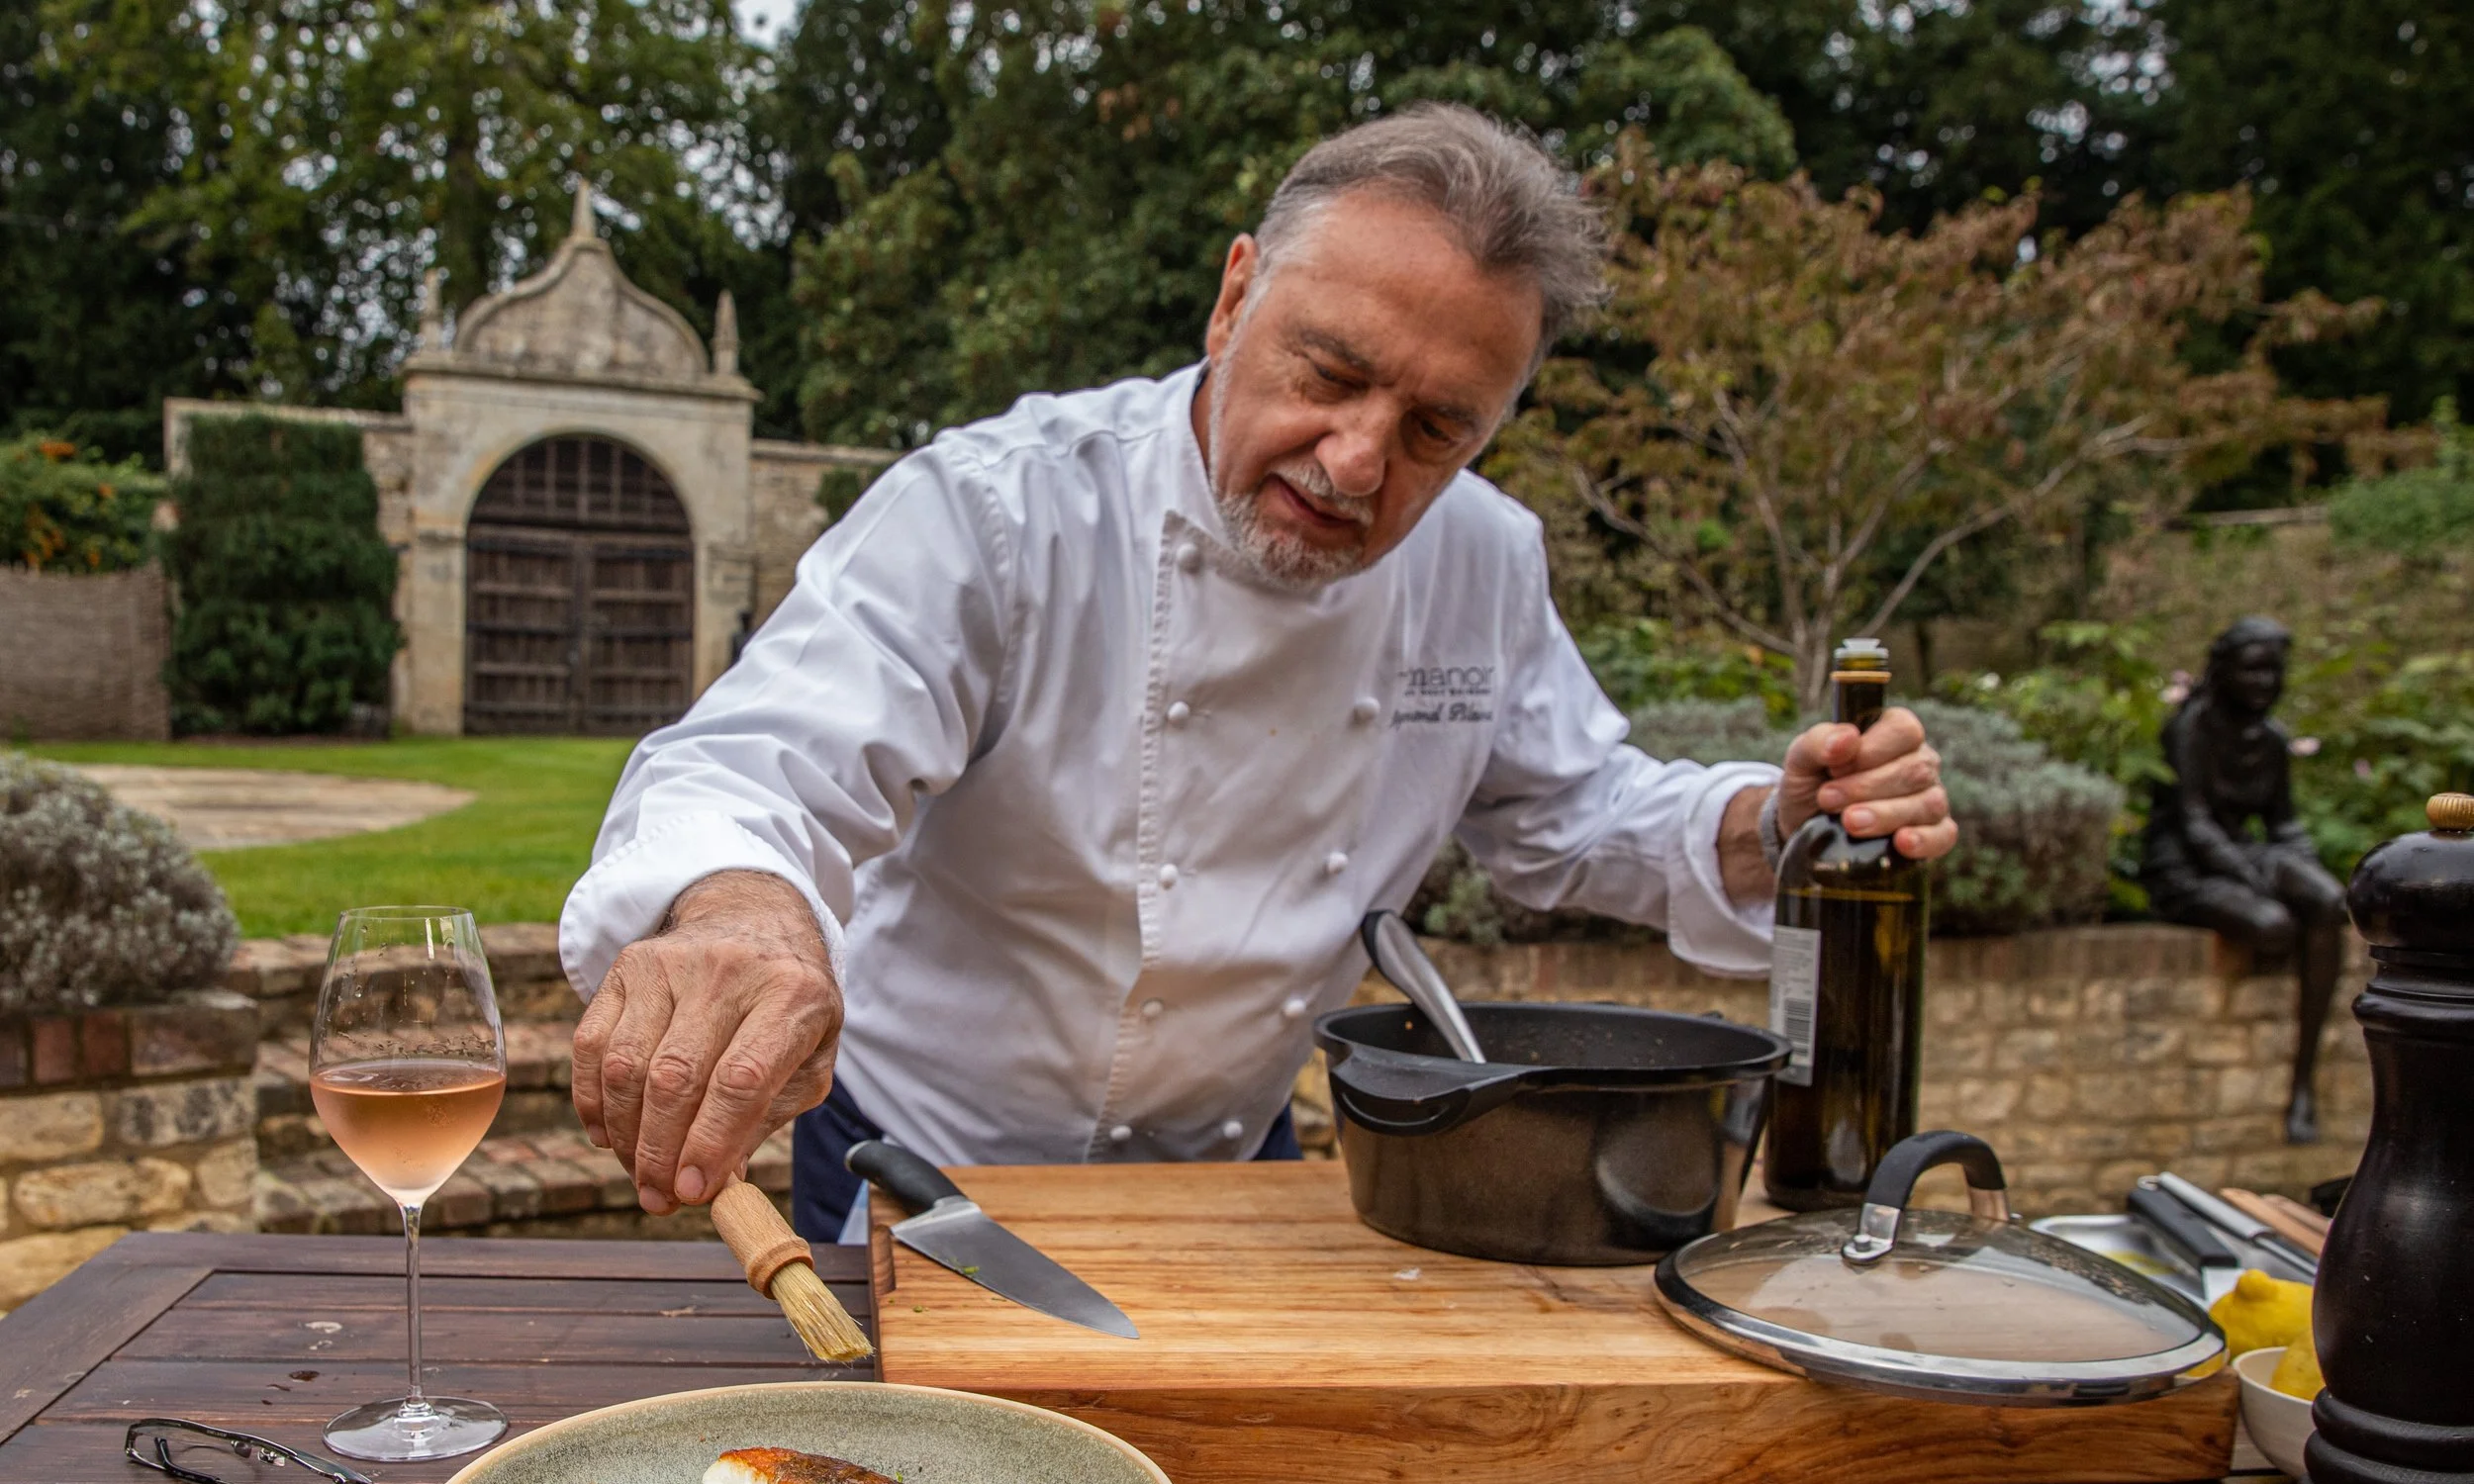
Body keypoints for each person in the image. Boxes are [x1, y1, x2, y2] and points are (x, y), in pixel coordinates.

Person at [558, 106, 1957, 1239]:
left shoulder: (1483, 558)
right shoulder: (999, 509)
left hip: (1236, 1166)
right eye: (1329, 372)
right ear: (1235, 298)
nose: (1355, 460)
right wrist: (744, 916)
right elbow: (764, 760)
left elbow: (1574, 811)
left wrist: (1773, 823)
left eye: (1435, 430)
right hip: (923, 1151)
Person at [2139, 615, 2345, 1142]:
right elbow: (2194, 823)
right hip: (2184, 864)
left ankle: (2303, 1083)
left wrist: (2305, 867)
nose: (2264, 682)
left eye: (2273, 671)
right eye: (2253, 670)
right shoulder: (2189, 729)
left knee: (2329, 901)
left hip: (2242, 853)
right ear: (2224, 670)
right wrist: (2255, 877)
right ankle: (2298, 1087)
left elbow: (2284, 823)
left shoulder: (2272, 739)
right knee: (2273, 926)